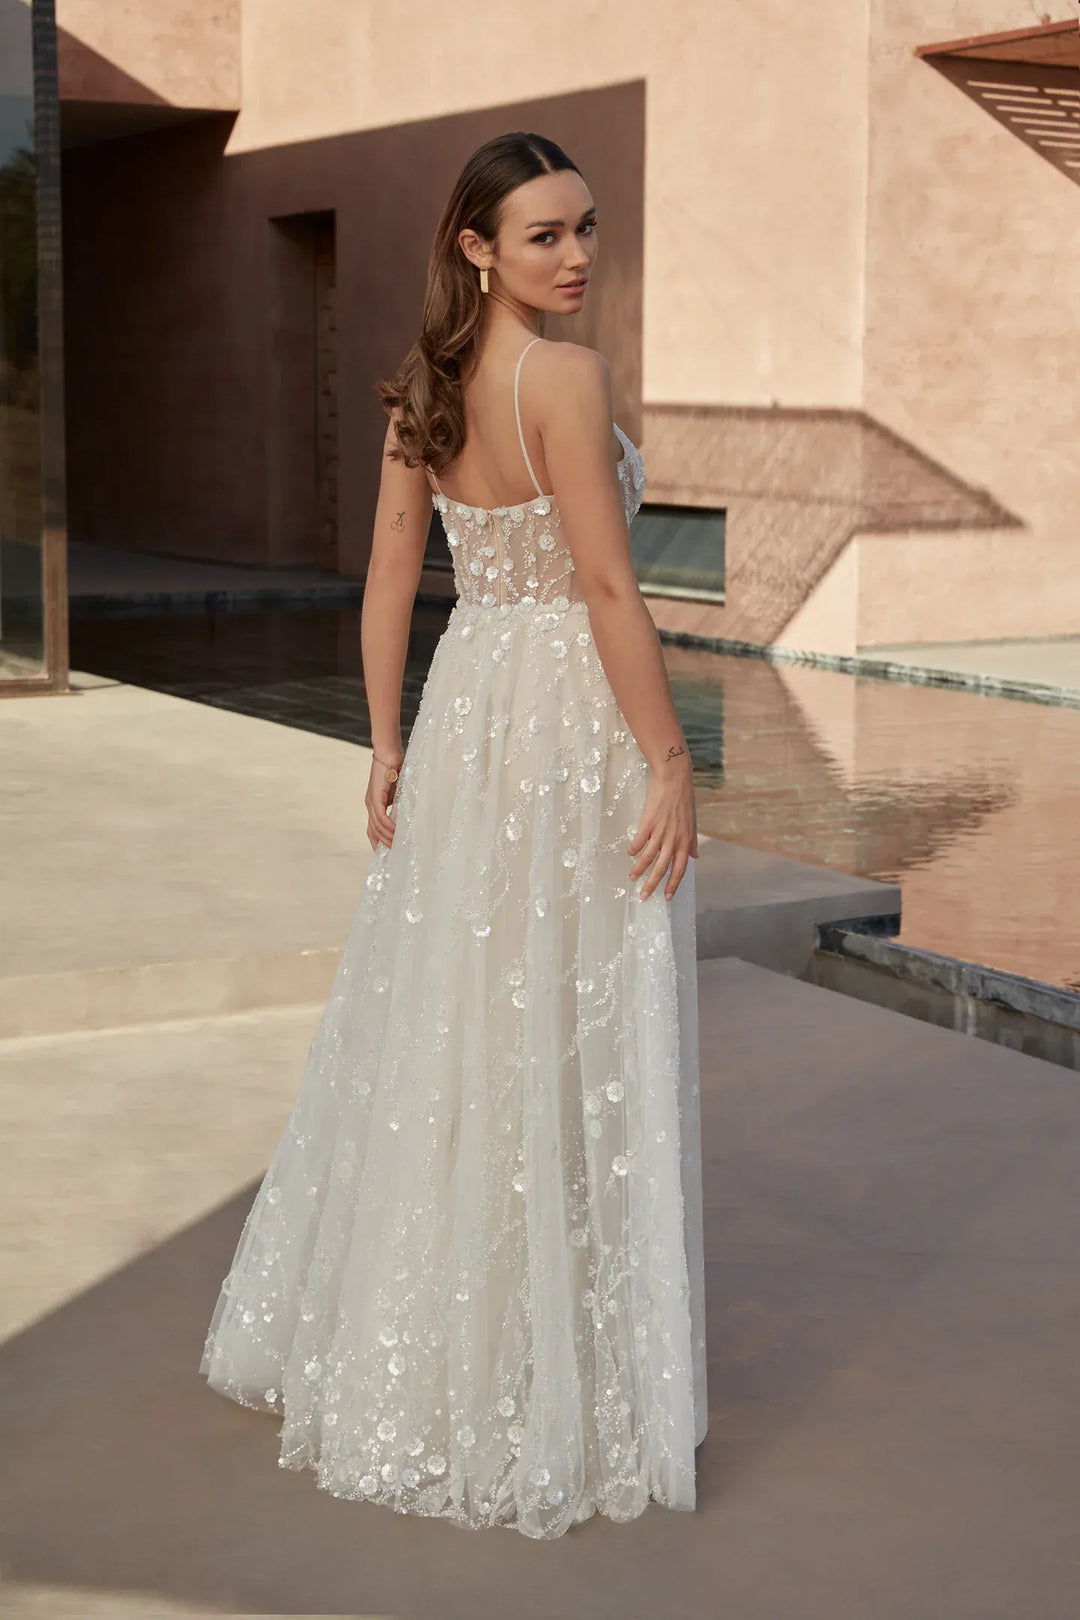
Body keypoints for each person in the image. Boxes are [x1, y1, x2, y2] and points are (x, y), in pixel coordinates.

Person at [200, 130, 708, 1540]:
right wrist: (671, 757)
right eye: (544, 234)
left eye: (587, 227)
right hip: (560, 717)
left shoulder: (429, 383)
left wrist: (387, 742)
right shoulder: (564, 375)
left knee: (462, 1021)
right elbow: (610, 590)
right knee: (557, 1018)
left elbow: (388, 577)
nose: (578, 255)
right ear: (477, 247)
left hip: (476, 702)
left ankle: (450, 1342)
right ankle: (536, 1365)